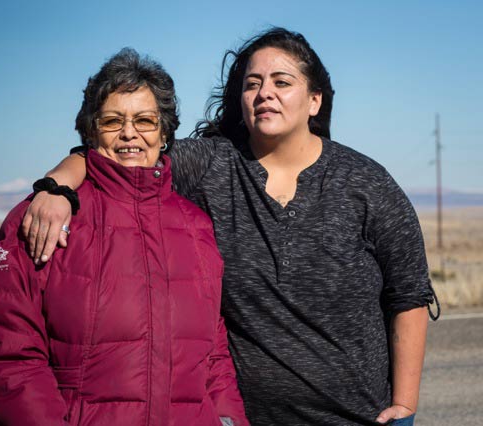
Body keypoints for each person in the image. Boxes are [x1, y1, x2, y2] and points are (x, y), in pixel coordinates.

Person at [22, 28, 439, 425]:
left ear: (314, 100)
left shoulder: (367, 184)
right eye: (252, 83)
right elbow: (126, 151)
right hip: (249, 418)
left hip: (356, 416)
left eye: (282, 82)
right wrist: (56, 187)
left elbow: (408, 294)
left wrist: (404, 404)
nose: (265, 94)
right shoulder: (210, 166)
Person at [0, 48, 249, 426]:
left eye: (145, 120)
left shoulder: (195, 226)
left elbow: (212, 353)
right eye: (113, 120)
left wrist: (228, 420)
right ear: (90, 130)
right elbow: (7, 353)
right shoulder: (45, 216)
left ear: (164, 132)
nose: (130, 133)